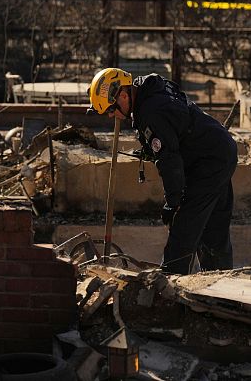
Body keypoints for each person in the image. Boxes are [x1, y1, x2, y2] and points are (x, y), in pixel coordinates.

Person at [88, 68, 237, 274]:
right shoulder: (149, 88)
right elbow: (174, 129)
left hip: (208, 161)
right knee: (213, 227)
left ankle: (170, 282)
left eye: (111, 110)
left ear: (123, 95)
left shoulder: (151, 112)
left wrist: (173, 203)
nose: (112, 115)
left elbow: (169, 161)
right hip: (218, 149)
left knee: (184, 225)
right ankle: (221, 279)